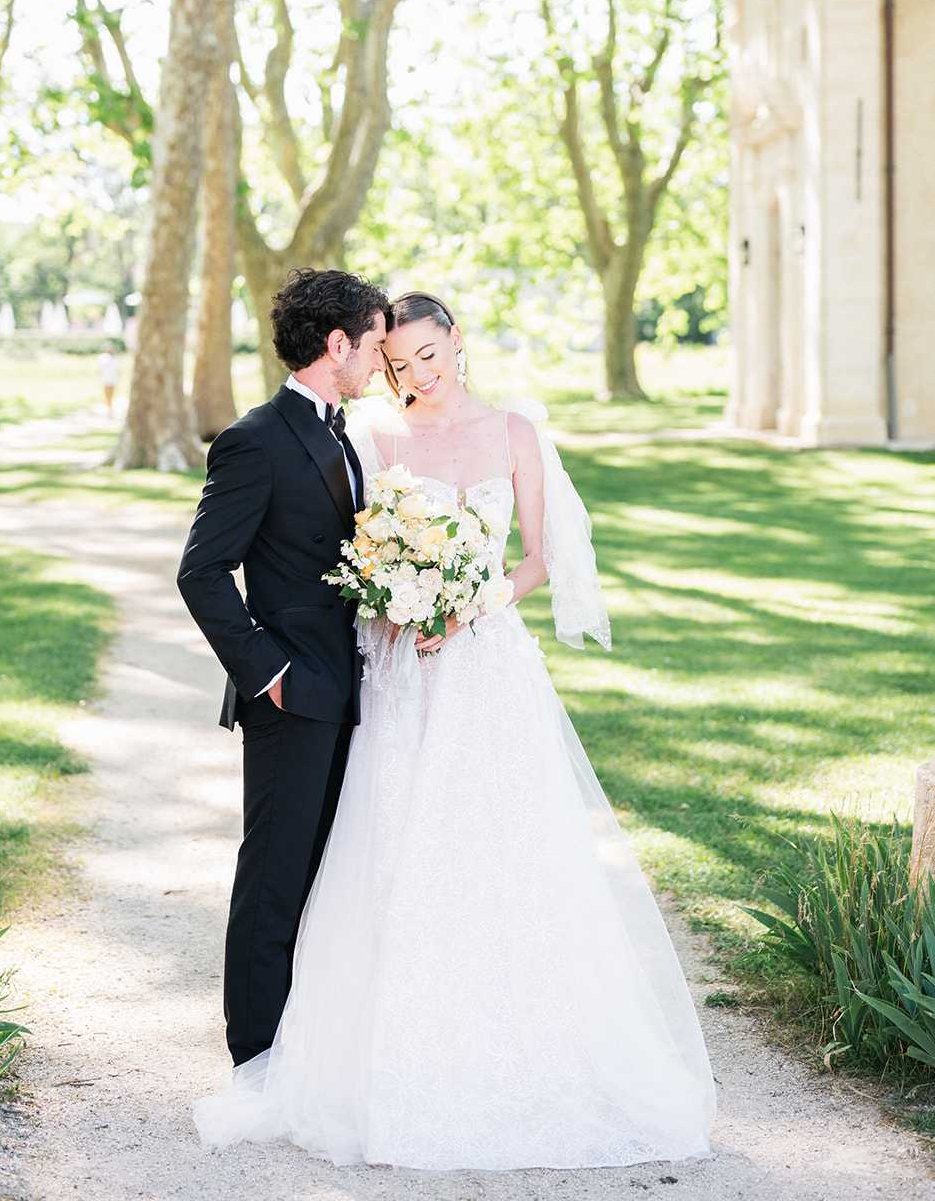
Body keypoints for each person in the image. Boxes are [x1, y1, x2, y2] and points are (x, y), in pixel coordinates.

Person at [190, 288, 717, 1171]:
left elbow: (540, 557)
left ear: (455, 341)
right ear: (367, 359)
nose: (412, 376)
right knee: (377, 847)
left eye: (425, 357)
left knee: (499, 851)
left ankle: (509, 1038)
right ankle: (316, 1051)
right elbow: (337, 553)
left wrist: (473, 601)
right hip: (389, 673)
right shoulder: (371, 439)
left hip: (482, 665)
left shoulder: (513, 433)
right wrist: (389, 605)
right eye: (394, 364)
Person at [177, 268, 389, 1070]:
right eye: (370, 346)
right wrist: (267, 671)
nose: (378, 362)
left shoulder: (345, 433)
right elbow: (201, 572)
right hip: (292, 694)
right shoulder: (253, 439)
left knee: (325, 874)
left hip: (355, 687)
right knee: (273, 874)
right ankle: (254, 1054)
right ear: (335, 345)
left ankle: (303, 1043)